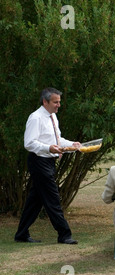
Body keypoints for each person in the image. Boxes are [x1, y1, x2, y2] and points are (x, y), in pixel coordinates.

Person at [15, 88, 81, 244]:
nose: (58, 105)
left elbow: (57, 140)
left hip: (49, 162)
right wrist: (48, 148)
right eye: (55, 102)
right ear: (45, 102)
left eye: (59, 102)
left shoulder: (53, 117)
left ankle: (21, 234)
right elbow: (29, 143)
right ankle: (64, 234)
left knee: (35, 200)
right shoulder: (36, 118)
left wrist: (73, 144)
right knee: (52, 199)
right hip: (39, 162)